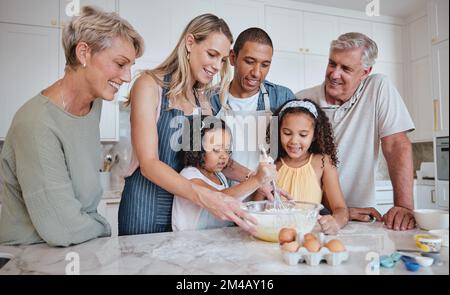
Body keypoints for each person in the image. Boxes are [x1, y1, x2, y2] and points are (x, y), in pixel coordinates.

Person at [0, 6, 144, 246]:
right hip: (31, 256)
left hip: (76, 249)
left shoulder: (94, 104)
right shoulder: (36, 124)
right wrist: (103, 225)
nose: (128, 77)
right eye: (120, 64)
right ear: (84, 53)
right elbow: (62, 229)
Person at [118, 14, 257, 236]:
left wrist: (259, 178)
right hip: (146, 208)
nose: (216, 66)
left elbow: (211, 158)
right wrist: (206, 196)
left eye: (222, 60)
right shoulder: (149, 85)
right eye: (212, 54)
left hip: (187, 213)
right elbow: (149, 163)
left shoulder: (205, 100)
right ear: (190, 43)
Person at [295, 32, 416, 231]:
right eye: (332, 63)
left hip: (362, 217)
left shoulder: (378, 88)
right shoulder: (303, 101)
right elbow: (293, 167)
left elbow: (395, 144)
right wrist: (339, 211)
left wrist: (404, 206)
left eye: (346, 68)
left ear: (365, 72)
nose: (334, 74)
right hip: (314, 218)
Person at [210, 27, 295, 200]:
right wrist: (255, 179)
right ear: (233, 58)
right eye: (249, 61)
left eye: (265, 64)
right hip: (224, 199)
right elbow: (203, 157)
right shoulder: (209, 100)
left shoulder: (282, 97)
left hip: (268, 200)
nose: (257, 73)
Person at [172, 116, 276, 231]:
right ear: (196, 149)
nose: (224, 156)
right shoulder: (189, 175)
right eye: (216, 150)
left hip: (215, 241)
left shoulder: (220, 176)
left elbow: (232, 203)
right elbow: (220, 198)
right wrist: (257, 180)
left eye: (227, 151)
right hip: (189, 243)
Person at [269, 99, 348, 234]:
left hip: (311, 235)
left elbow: (340, 208)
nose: (294, 141)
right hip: (277, 235)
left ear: (314, 136)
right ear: (278, 132)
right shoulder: (272, 165)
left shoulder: (323, 163)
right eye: (287, 133)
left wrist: (335, 222)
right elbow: (256, 210)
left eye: (303, 134)